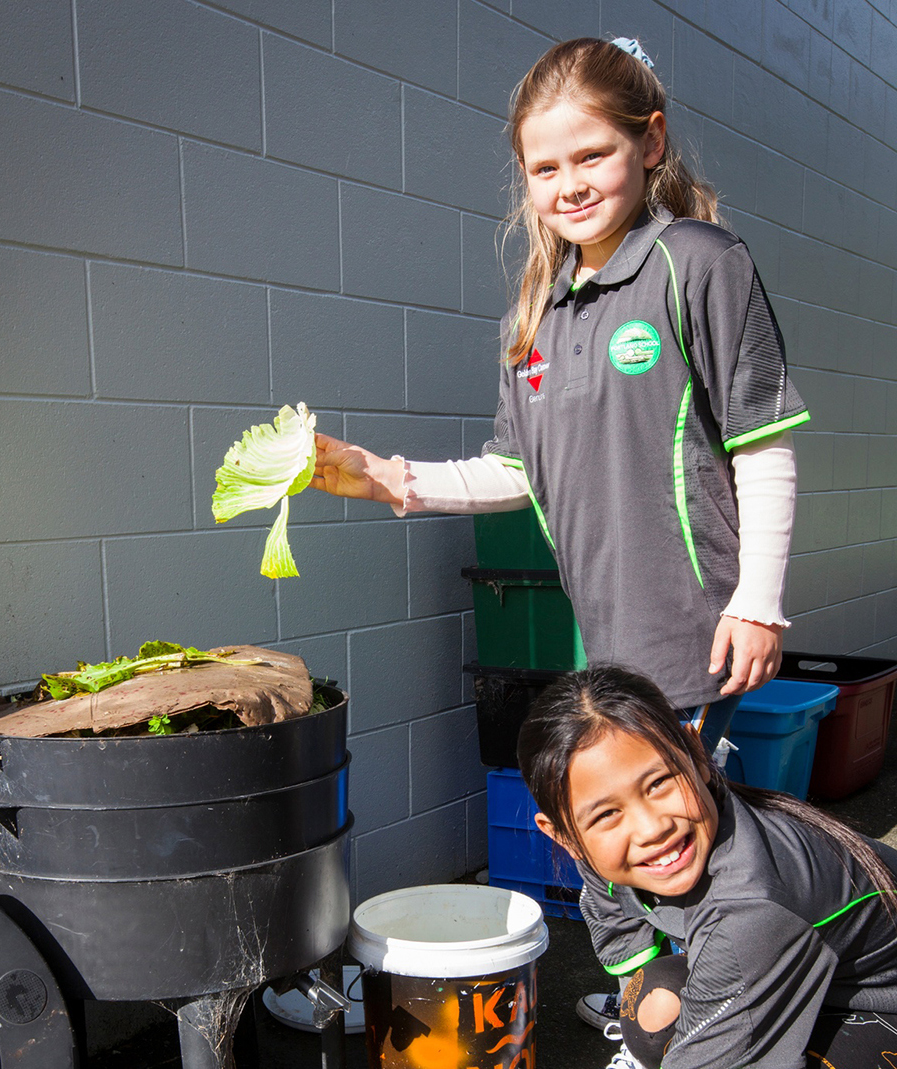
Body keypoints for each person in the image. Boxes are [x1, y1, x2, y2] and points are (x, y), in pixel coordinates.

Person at [311, 34, 808, 1063]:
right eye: (546, 167)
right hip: (607, 646)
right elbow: (515, 473)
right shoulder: (533, 318)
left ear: (649, 142)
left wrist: (757, 599)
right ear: (524, 180)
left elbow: (763, 445)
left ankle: (700, 1022)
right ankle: (657, 1005)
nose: (569, 184)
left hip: (694, 628)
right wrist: (385, 476)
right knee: (620, 835)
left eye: (593, 155)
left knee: (673, 836)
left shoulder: (699, 266)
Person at [517, 664, 897, 1069]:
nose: (651, 829)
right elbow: (619, 928)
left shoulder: (751, 906)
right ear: (566, 836)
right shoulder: (605, 854)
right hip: (785, 965)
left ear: (696, 754)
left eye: (658, 783)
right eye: (607, 813)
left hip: (879, 999)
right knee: (655, 1013)